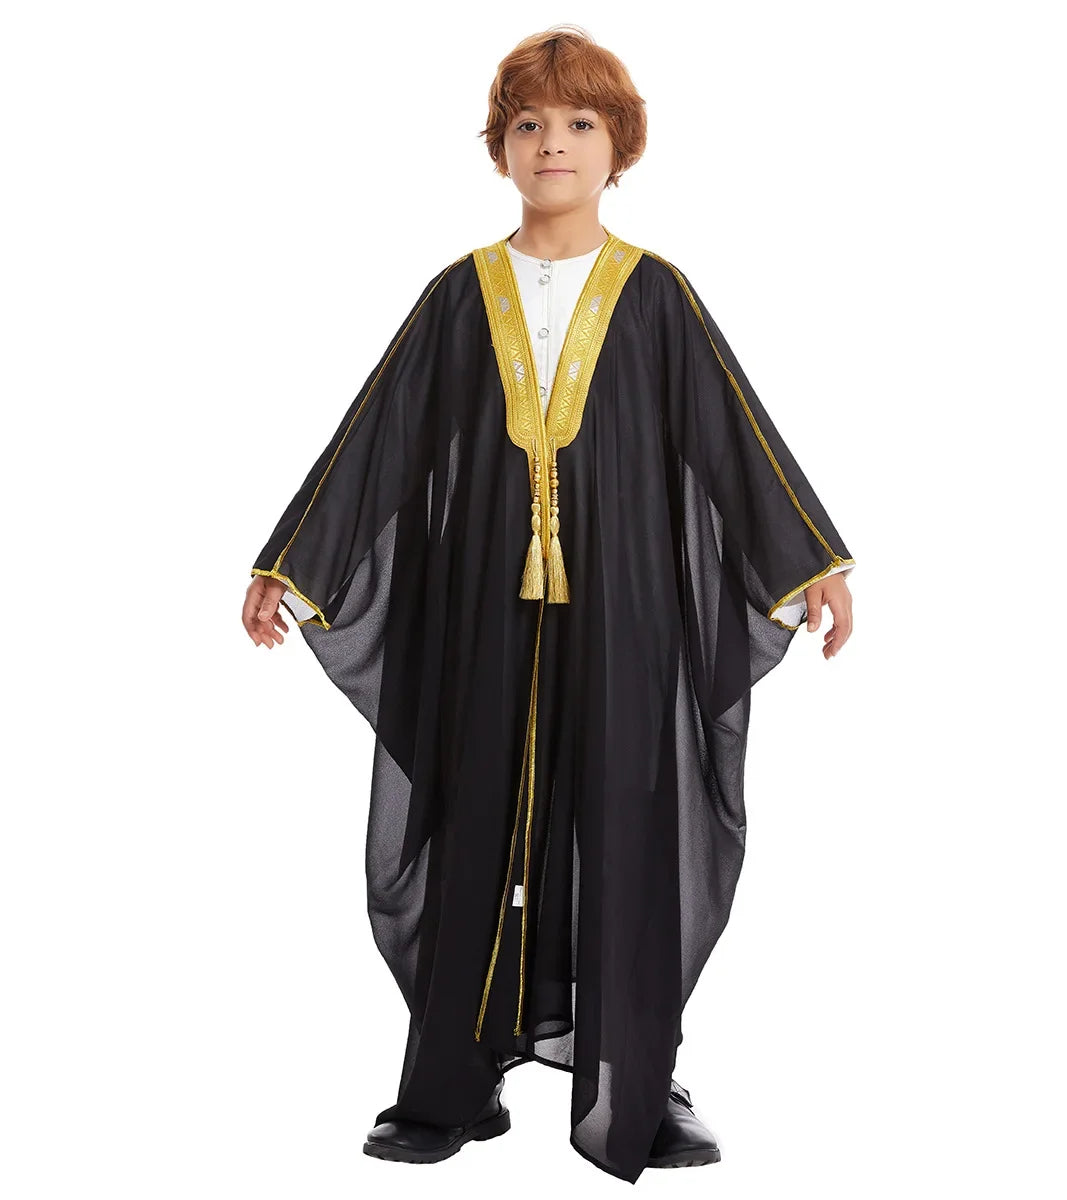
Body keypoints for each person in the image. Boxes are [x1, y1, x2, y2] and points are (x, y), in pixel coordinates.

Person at [241, 24, 856, 1185]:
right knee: (475, 813)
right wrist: (295, 561)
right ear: (501, 148)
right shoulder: (459, 295)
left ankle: (638, 1080)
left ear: (620, 146)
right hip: (481, 608)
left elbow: (729, 433)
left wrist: (808, 558)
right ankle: (451, 1079)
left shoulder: (656, 294)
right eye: (529, 123)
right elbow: (381, 435)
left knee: (624, 824)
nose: (553, 143)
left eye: (580, 122)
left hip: (627, 612)